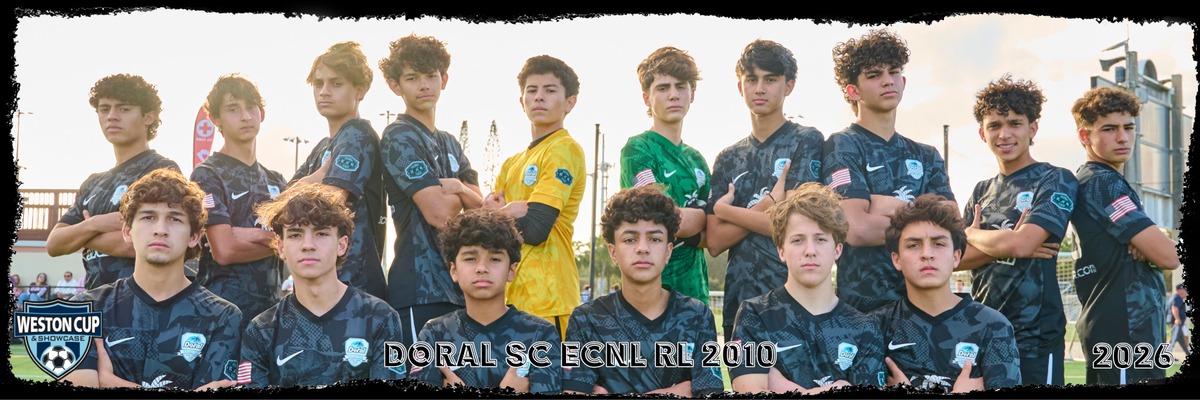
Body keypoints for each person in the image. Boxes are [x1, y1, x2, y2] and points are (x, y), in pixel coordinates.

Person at [64, 169, 241, 391]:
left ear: (194, 237)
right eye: (148, 217)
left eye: (174, 219)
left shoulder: (223, 316)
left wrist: (110, 383)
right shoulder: (83, 309)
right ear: (127, 231)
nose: (160, 230)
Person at [823, 29, 957, 315]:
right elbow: (857, 229)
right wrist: (922, 217)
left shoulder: (926, 155)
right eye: (874, 75)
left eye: (894, 72)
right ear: (853, 91)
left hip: (925, 313)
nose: (887, 80)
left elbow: (952, 226)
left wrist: (886, 205)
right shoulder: (842, 145)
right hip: (862, 314)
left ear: (903, 82)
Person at [955, 75, 1073, 386]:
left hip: (1036, 338)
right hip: (985, 331)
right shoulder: (981, 190)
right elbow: (955, 259)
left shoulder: (1055, 179)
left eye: (1015, 123)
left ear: (1032, 128)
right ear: (982, 133)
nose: (1004, 134)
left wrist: (972, 234)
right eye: (994, 125)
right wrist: (1008, 242)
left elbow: (1024, 244)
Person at [707, 39, 824, 338]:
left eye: (770, 80)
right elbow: (715, 241)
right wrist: (771, 202)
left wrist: (726, 211)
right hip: (738, 306)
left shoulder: (806, 140)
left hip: (794, 305)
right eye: (752, 80)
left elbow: (793, 224)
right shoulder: (728, 157)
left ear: (789, 86)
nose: (760, 88)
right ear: (740, 86)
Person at [240, 184, 406, 387]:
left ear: (341, 245)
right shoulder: (261, 330)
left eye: (321, 233)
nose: (308, 245)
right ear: (281, 247)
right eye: (295, 235)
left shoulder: (381, 318)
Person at [564, 186, 722, 396]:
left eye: (655, 239)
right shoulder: (585, 320)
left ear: (668, 251)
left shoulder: (697, 315)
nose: (643, 248)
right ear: (613, 252)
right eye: (630, 239)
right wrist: (677, 392)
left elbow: (710, 392)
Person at [1069, 86, 1180, 385]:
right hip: (1122, 331)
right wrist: (1154, 247)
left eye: (1128, 127)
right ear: (1084, 136)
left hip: (1131, 329)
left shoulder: (1106, 181)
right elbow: (1169, 256)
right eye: (1109, 129)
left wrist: (1150, 245)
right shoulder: (1102, 182)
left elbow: (1159, 250)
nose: (1123, 137)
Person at [377, 34, 481, 348]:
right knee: (422, 375)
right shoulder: (399, 136)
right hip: (418, 292)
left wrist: (457, 188)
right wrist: (463, 197)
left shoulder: (450, 142)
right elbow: (439, 214)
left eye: (430, 76)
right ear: (395, 86)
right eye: (412, 78)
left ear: (443, 79)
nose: (424, 85)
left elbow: (482, 212)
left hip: (460, 289)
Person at [729, 183, 884, 394]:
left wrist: (782, 387)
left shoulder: (865, 328)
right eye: (798, 240)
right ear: (781, 251)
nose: (810, 250)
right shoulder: (753, 315)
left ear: (837, 250)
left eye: (820, 239)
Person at [483, 55, 587, 338]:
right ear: (522, 101)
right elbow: (492, 232)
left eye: (550, 90)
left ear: (570, 102)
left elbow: (537, 229)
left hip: (549, 299)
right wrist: (505, 212)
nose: (539, 97)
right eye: (532, 90)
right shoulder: (511, 163)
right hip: (509, 298)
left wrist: (498, 215)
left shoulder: (564, 148)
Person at [46, 74, 181, 290]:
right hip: (95, 302)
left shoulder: (161, 171)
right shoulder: (93, 183)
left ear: (148, 117)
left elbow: (139, 245)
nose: (112, 116)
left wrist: (80, 235)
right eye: (104, 109)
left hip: (142, 301)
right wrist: (94, 224)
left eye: (124, 109)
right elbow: (54, 244)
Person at [875, 194, 1020, 392]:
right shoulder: (874, 327)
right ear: (896, 259)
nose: (927, 254)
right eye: (913, 245)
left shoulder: (994, 327)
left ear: (956, 257)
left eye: (939, 244)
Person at [412, 209, 562, 393]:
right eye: (470, 258)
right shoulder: (434, 334)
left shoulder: (540, 334)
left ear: (511, 270)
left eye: (495, 259)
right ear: (454, 271)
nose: (482, 268)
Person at [288, 41, 387, 301]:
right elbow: (279, 207)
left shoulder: (357, 134)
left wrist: (308, 187)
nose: (324, 91)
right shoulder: (324, 146)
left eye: (336, 83)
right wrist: (315, 179)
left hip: (354, 287)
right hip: (323, 289)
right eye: (318, 84)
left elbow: (330, 201)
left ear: (360, 90)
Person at [191, 74, 287, 331]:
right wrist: (274, 241)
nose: (245, 116)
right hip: (219, 316)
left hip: (269, 318)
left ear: (261, 114)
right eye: (233, 109)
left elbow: (294, 243)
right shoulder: (207, 174)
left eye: (251, 107)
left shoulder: (276, 180)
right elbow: (224, 251)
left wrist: (247, 235)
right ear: (216, 119)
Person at [620, 46, 712, 305]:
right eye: (663, 88)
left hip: (696, 295)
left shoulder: (697, 160)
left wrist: (695, 223)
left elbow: (714, 233)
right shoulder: (638, 149)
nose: (673, 95)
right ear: (646, 98)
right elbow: (657, 217)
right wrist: (700, 219)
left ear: (692, 94)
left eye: (681, 86)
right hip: (652, 295)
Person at [1167, 284, 1190, 356]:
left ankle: (1188, 353)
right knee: (1173, 339)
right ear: (1179, 290)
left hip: (1178, 323)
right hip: (1176, 323)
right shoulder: (1177, 297)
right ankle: (1166, 354)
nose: (1185, 292)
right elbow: (1174, 308)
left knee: (1181, 340)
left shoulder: (1177, 298)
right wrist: (1177, 319)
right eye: (1184, 290)